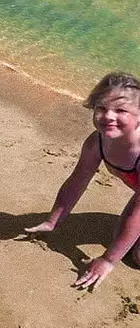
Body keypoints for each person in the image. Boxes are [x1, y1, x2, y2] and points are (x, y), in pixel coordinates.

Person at [25, 72, 140, 289]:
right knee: (121, 236)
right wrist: (53, 221)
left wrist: (107, 261)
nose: (108, 116)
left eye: (121, 110)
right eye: (101, 108)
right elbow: (78, 180)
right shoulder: (96, 143)